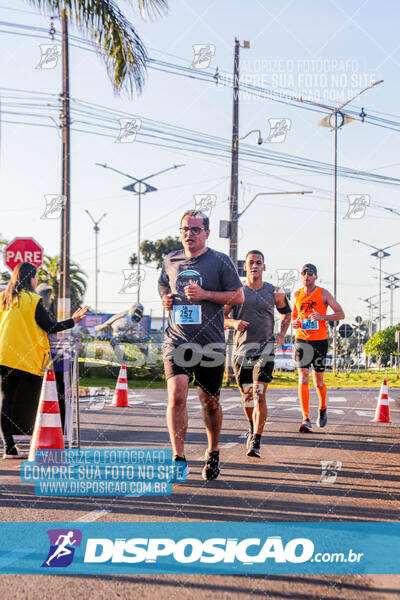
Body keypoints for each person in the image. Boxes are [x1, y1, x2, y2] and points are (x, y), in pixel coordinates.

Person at [158, 210, 244, 480]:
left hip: (210, 342)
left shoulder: (220, 261)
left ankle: (213, 451)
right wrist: (166, 299)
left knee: (210, 402)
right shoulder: (170, 260)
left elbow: (238, 296)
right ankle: (178, 458)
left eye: (195, 229)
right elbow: (162, 285)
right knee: (177, 394)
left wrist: (205, 294)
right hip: (177, 338)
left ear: (206, 233)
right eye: (185, 229)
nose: (189, 234)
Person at [0, 262, 88, 458]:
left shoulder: (4, 298)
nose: (37, 280)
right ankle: (43, 442)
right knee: (44, 399)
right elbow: (49, 326)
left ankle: (9, 448)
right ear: (31, 278)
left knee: (6, 402)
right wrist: (73, 321)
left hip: (4, 357)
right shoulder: (33, 300)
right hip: (27, 359)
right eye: (36, 276)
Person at [224, 250, 292, 458]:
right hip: (241, 350)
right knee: (247, 398)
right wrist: (234, 323)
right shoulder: (236, 292)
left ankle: (256, 440)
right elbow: (221, 316)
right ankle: (252, 427)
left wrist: (281, 333)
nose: (254, 265)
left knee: (259, 393)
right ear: (245, 266)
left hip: (266, 348)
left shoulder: (275, 291)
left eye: (258, 262)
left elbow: (287, 313)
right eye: (250, 262)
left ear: (264, 267)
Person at [292, 263, 344, 432]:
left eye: (310, 273)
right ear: (301, 276)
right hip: (301, 340)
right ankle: (305, 418)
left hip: (320, 341)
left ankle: (322, 407)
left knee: (318, 381)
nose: (307, 276)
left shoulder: (323, 293)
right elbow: (294, 316)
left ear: (315, 277)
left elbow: (340, 314)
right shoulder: (296, 295)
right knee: (303, 378)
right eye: (304, 273)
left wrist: (322, 317)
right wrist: (295, 323)